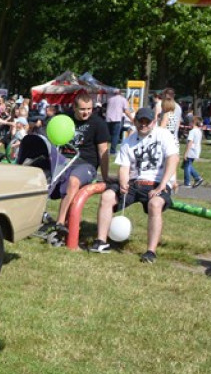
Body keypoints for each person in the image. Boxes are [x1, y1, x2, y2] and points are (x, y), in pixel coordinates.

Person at [88, 107, 179, 262]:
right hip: (134, 182)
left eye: (147, 122)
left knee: (155, 204)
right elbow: (124, 166)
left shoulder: (164, 135)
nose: (143, 125)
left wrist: (162, 185)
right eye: (140, 121)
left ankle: (151, 252)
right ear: (135, 121)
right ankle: (101, 241)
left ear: (154, 122)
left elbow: (174, 159)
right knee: (108, 196)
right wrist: (123, 182)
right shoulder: (129, 140)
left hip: (157, 182)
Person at [51, 92, 110, 241]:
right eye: (83, 109)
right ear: (74, 108)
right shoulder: (65, 119)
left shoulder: (98, 123)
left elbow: (103, 151)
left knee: (73, 181)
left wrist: (105, 177)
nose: (87, 112)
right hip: (65, 160)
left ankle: (60, 222)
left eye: (89, 109)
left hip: (86, 163)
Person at [104, 88, 131, 154]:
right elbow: (126, 111)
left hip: (108, 119)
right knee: (115, 135)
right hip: (117, 119)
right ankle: (112, 151)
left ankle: (105, 150)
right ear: (120, 93)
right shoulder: (123, 99)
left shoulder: (110, 99)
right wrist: (132, 118)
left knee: (107, 136)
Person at [183, 116, 205, 188]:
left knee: (187, 166)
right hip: (196, 150)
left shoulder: (192, 131)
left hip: (191, 150)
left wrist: (186, 153)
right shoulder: (199, 131)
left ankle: (187, 182)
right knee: (188, 165)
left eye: (190, 122)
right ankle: (197, 178)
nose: (189, 123)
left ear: (194, 123)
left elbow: (190, 142)